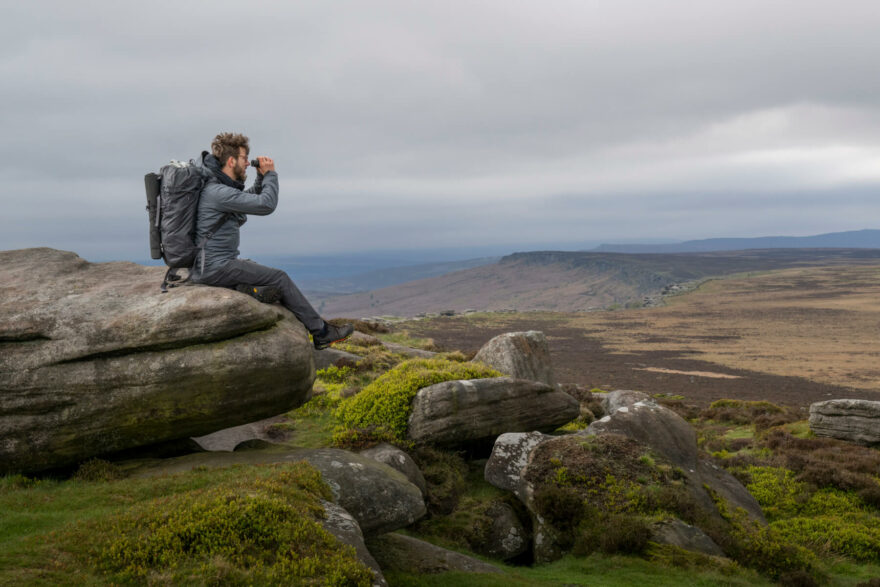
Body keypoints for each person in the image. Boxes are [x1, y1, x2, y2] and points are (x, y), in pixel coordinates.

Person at [191, 132, 353, 349]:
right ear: (231, 161)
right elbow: (265, 205)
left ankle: (251, 290)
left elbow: (246, 201)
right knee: (279, 278)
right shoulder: (217, 192)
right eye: (243, 159)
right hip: (216, 267)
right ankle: (321, 332)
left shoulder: (217, 189)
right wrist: (271, 175)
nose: (247, 163)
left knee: (256, 271)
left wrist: (260, 178)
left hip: (212, 264)